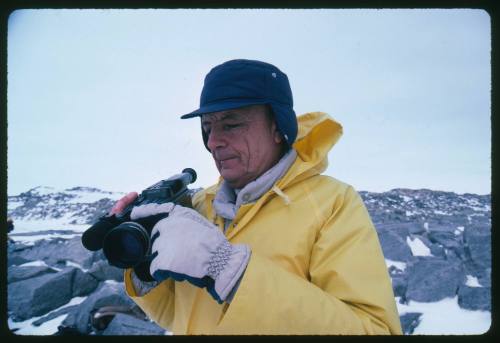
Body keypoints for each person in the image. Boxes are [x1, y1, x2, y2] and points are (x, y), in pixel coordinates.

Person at [111, 59, 403, 335]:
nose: (213, 142)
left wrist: (231, 271)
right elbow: (180, 316)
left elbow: (374, 329)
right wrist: (143, 265)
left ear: (278, 127)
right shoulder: (199, 206)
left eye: (231, 124)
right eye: (207, 127)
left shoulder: (333, 203)